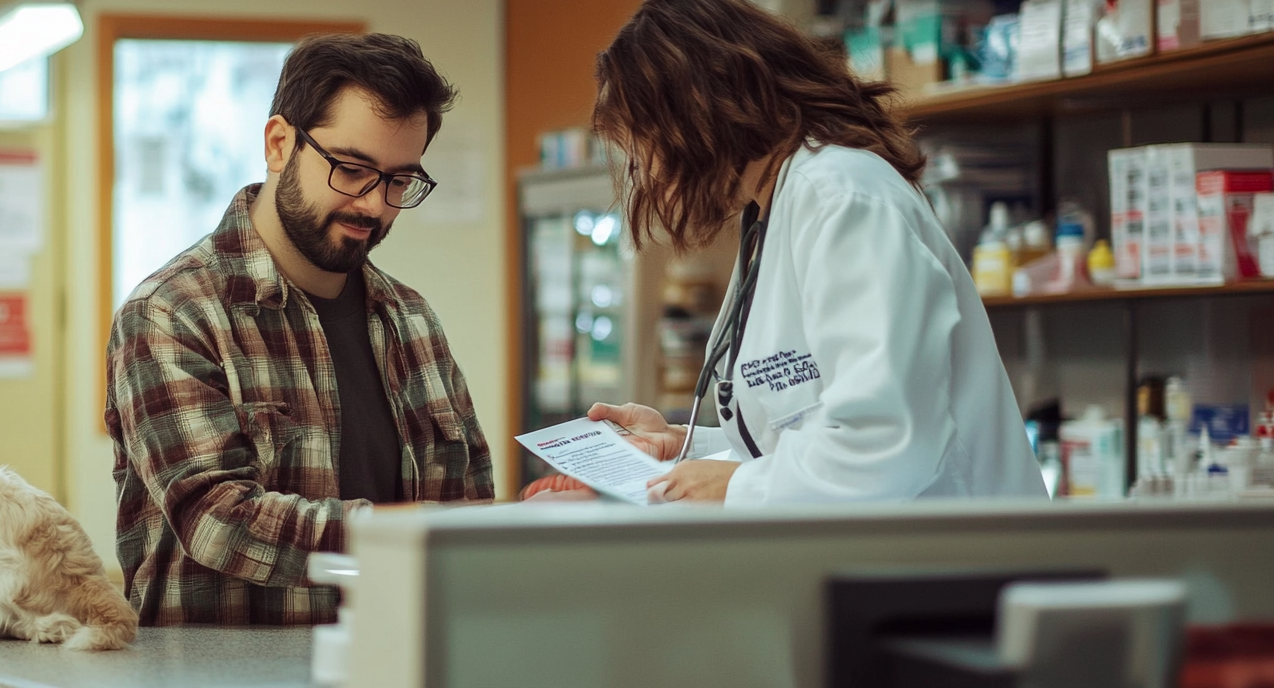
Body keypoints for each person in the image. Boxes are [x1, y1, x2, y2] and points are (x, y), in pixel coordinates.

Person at [582, 0, 1046, 504]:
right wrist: (686, 446)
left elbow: (884, 444)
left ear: (695, 113)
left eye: (641, 144)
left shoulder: (842, 195)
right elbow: (802, 436)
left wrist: (734, 485)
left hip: (954, 561)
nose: (645, 172)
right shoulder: (771, 211)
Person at [105, 33, 494, 626]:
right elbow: (218, 522)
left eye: (398, 181)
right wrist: (417, 526)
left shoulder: (412, 321)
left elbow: (468, 509)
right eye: (352, 168)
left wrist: (531, 521)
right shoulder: (171, 312)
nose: (374, 205)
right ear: (280, 143)